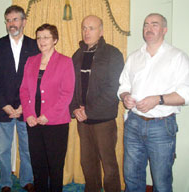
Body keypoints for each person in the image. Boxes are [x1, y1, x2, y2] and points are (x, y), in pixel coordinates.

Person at [118, 13, 189, 192]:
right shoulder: (134, 57)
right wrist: (125, 96)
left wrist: (158, 99)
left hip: (162, 126)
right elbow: (123, 85)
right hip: (133, 123)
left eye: (154, 24)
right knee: (131, 177)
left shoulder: (177, 57)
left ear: (164, 30)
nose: (149, 28)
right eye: (146, 24)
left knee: (161, 181)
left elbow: (186, 94)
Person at [0, 5, 39, 192]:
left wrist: (25, 106)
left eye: (15, 19)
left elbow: (37, 80)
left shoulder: (35, 45)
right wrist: (5, 105)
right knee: (3, 151)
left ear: (24, 22)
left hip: (27, 109)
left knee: (27, 149)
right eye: (8, 20)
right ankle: (5, 183)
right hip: (3, 109)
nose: (11, 24)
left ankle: (26, 179)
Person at [69, 15, 124, 192]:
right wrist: (74, 109)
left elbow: (113, 88)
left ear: (101, 31)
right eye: (84, 28)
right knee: (87, 162)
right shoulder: (77, 55)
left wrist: (89, 111)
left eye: (91, 28)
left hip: (103, 119)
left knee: (108, 164)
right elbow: (70, 86)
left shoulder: (112, 54)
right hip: (82, 120)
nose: (87, 32)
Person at [20, 23, 75, 192]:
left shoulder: (65, 62)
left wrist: (48, 115)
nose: (41, 41)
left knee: (55, 166)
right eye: (39, 37)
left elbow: (67, 94)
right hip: (33, 121)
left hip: (56, 123)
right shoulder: (31, 61)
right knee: (38, 164)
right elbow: (23, 90)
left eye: (46, 37)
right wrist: (28, 114)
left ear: (55, 40)